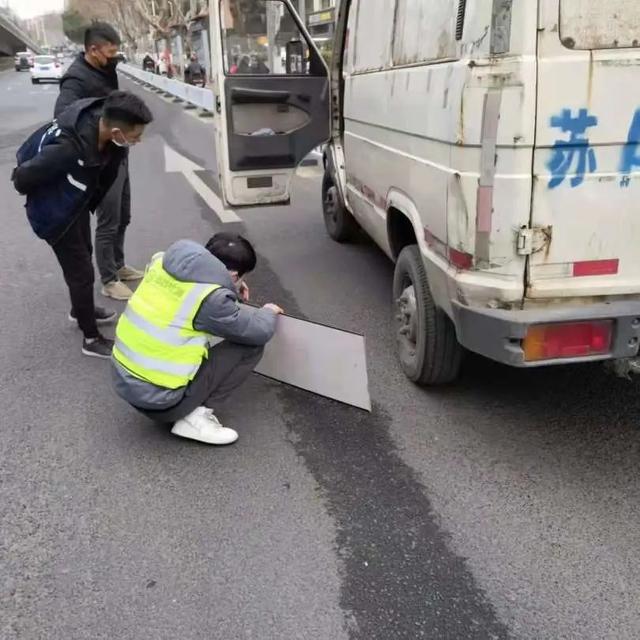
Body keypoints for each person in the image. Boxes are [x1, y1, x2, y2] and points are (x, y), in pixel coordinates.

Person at [12, 92, 153, 359]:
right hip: (56, 213)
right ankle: (90, 338)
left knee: (83, 257)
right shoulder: (68, 148)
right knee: (82, 272)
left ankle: (80, 309)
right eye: (134, 136)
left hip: (74, 205)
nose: (138, 141)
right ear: (115, 131)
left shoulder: (102, 128)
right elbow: (22, 178)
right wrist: (56, 191)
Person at [111, 234, 284, 445]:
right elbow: (259, 330)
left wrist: (231, 287)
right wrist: (268, 311)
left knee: (189, 328)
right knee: (251, 345)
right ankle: (195, 418)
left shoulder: (161, 263)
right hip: (161, 403)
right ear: (234, 274)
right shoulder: (212, 300)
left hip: (123, 381)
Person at [55, 22, 144, 303]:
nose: (114, 57)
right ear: (92, 50)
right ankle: (108, 279)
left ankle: (118, 263)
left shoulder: (106, 68)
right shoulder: (76, 79)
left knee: (124, 215)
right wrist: (96, 138)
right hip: (102, 160)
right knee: (109, 221)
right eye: (109, 53)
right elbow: (63, 117)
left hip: (119, 150)